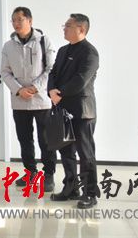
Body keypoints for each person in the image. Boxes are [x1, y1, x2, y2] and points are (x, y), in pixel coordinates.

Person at [1, 7, 57, 192]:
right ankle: (30, 172)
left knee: (46, 140)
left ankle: (48, 174)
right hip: (19, 100)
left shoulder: (43, 40)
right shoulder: (8, 46)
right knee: (24, 139)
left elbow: (51, 68)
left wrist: (34, 87)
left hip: (41, 99)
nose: (16, 23)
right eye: (13, 20)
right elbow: (5, 72)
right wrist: (19, 90)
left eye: (20, 19)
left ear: (30, 21)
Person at [48, 13, 100, 209]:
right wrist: (51, 90)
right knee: (66, 151)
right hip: (62, 109)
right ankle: (71, 188)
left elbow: (81, 80)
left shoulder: (90, 52)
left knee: (85, 154)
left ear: (81, 29)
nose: (64, 28)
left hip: (82, 112)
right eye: (65, 25)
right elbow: (53, 73)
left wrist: (59, 93)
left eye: (68, 25)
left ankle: (90, 193)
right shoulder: (63, 50)